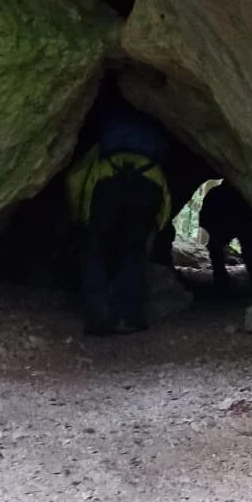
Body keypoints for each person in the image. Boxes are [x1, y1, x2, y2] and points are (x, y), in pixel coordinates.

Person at [65, 106, 172, 335]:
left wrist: (79, 216)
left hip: (108, 178)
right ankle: (130, 315)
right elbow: (164, 195)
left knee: (94, 247)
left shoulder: (106, 133)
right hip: (149, 180)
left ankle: (98, 315)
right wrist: (159, 223)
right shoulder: (154, 131)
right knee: (134, 249)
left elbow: (77, 181)